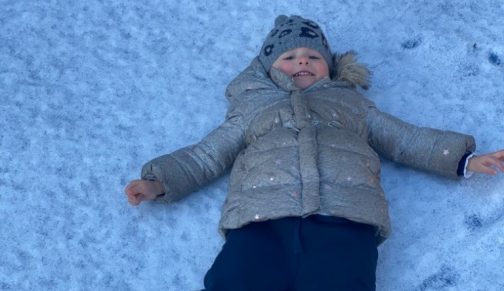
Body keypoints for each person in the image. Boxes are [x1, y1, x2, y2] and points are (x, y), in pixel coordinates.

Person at [124, 15, 504, 291]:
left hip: (344, 220)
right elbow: (207, 155)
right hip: (261, 221)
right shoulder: (252, 109)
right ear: (267, 68)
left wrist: (463, 159)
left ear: (330, 67)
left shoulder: (353, 106)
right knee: (234, 281)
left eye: (312, 56)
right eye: (289, 57)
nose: (301, 61)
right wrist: (160, 181)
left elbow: (404, 139)